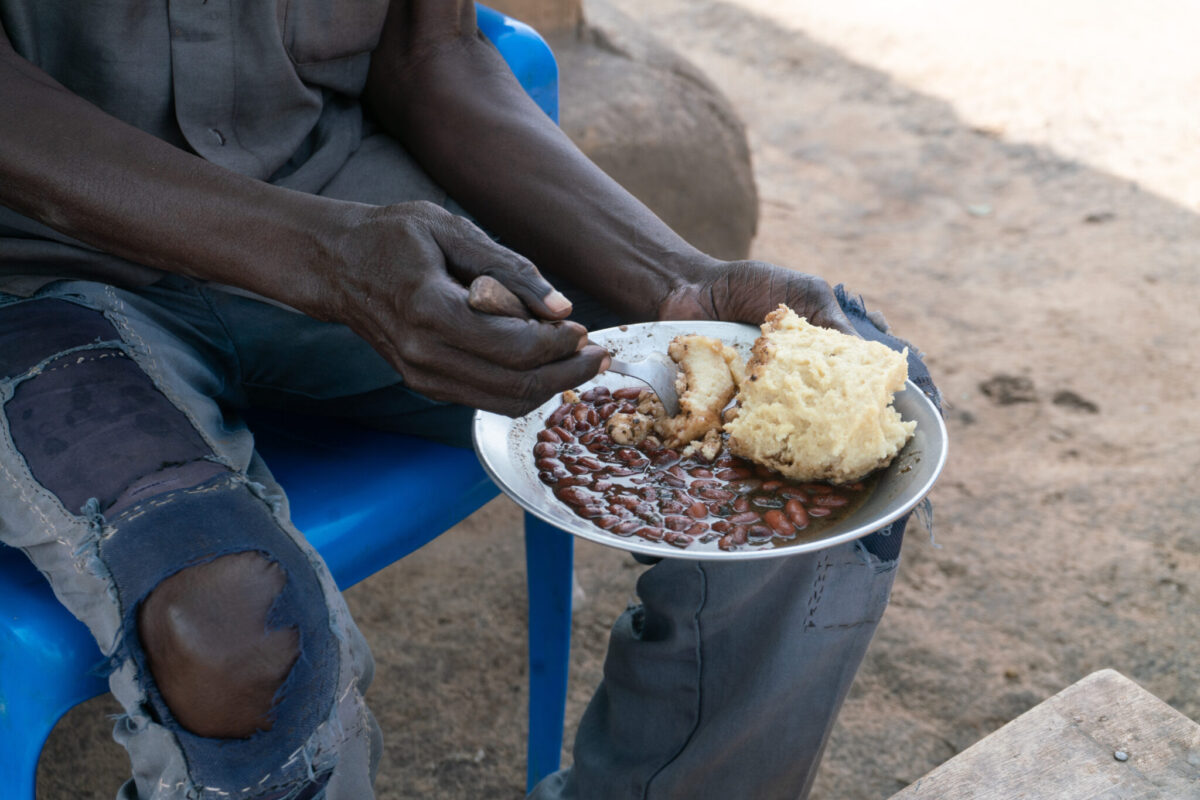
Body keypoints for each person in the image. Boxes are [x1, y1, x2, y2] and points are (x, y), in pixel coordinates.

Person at [0, 2, 934, 798]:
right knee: (235, 632)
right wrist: (320, 259)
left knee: (857, 430)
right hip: (32, 274)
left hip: (348, 198)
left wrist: (679, 280)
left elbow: (431, 50)